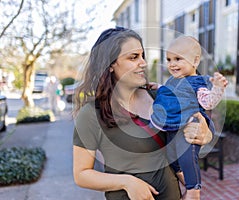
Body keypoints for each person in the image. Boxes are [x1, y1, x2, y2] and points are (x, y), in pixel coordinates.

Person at [72, 27, 215, 200]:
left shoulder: (160, 97)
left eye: (142, 56)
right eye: (133, 57)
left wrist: (205, 133)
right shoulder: (92, 114)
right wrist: (127, 182)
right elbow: (81, 174)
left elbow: (192, 123)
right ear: (110, 64)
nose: (143, 63)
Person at [150, 36, 228, 199]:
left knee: (187, 156)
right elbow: (169, 93)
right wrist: (158, 87)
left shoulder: (197, 83)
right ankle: (183, 178)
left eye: (178, 58)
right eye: (169, 59)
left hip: (191, 123)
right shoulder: (172, 80)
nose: (172, 64)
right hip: (174, 125)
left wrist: (218, 89)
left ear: (195, 61)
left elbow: (208, 102)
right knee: (171, 155)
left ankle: (193, 190)